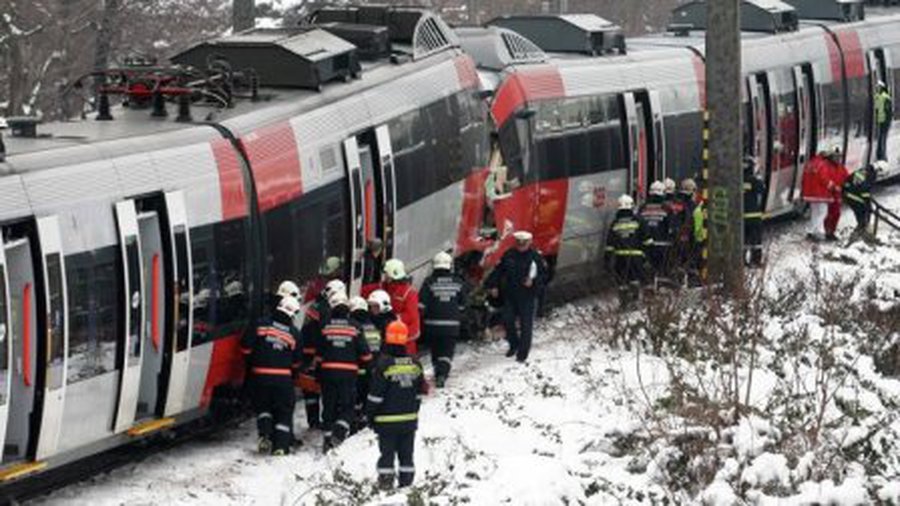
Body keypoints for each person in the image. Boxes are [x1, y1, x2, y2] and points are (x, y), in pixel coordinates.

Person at [366, 320, 428, 491]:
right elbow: (419, 393)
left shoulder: (384, 364)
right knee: (407, 455)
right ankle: (407, 486)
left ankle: (386, 483)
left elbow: (375, 396)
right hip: (409, 421)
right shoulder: (415, 364)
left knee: (387, 455)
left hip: (386, 422)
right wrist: (413, 413)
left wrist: (370, 416)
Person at [242, 295, 303, 456]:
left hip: (259, 377)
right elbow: (297, 362)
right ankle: (281, 447)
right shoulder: (294, 333)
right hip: (283, 380)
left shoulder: (261, 325)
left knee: (263, 408)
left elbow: (246, 347)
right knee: (283, 412)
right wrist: (293, 373)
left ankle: (265, 435)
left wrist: (253, 362)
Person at [316, 288, 372, 451]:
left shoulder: (325, 326)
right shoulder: (355, 327)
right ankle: (339, 433)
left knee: (329, 406)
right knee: (348, 406)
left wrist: (318, 372)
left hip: (328, 373)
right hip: (348, 374)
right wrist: (367, 367)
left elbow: (319, 354)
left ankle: (327, 440)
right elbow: (365, 353)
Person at [485, 230, 547, 362]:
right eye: (519, 243)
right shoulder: (509, 255)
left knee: (526, 326)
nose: (521, 246)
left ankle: (522, 353)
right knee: (507, 321)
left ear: (529, 243)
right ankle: (514, 344)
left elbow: (543, 276)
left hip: (528, 296)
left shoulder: (535, 257)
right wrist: (493, 285)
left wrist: (533, 282)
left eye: (524, 243)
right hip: (511, 295)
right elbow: (499, 270)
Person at [299, 278, 346, 430]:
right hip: (317, 352)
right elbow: (325, 333)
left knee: (310, 389)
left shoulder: (316, 305)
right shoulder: (326, 309)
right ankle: (326, 421)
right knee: (324, 387)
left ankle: (313, 420)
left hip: (307, 351)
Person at [419, 251, 470, 388]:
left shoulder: (429, 282)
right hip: (451, 326)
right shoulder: (458, 282)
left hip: (432, 325)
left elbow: (422, 304)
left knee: (436, 351)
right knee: (446, 352)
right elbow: (463, 304)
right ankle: (442, 374)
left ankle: (438, 372)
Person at [606, 195, 647, 308]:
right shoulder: (639, 220)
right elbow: (646, 240)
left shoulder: (615, 223)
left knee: (622, 282)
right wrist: (648, 255)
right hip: (636, 257)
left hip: (620, 258)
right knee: (634, 280)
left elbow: (610, 244)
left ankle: (624, 303)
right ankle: (634, 301)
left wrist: (607, 261)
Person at [350, 295, 382, 429]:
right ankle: (363, 417)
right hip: (372, 371)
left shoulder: (355, 328)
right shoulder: (373, 327)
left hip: (357, 370)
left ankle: (355, 420)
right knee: (365, 398)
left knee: (354, 400)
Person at [802, 146, 847, 241]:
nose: (838, 159)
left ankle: (813, 231)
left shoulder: (812, 162)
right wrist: (835, 187)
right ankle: (813, 231)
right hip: (820, 194)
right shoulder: (823, 165)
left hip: (810, 193)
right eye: (836, 157)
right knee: (823, 213)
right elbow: (824, 179)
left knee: (815, 213)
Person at [382, 259, 421, 356]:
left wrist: (392, 318)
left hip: (406, 337)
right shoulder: (387, 288)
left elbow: (410, 316)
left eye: (386, 274)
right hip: (394, 335)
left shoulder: (409, 293)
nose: (384, 276)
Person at [638, 181, 674, 289]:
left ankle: (648, 292)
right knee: (662, 272)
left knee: (648, 272)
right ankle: (660, 293)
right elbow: (672, 227)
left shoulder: (642, 207)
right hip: (663, 245)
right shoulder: (667, 208)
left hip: (646, 246)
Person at [843, 162, 878, 239]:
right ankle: (862, 229)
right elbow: (865, 191)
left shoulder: (863, 171)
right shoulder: (869, 176)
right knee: (862, 210)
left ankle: (862, 227)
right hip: (852, 195)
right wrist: (868, 204)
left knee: (862, 211)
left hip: (850, 192)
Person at [743, 156, 766, 267]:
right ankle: (756, 261)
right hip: (754, 216)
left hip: (741, 217)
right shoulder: (754, 180)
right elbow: (762, 190)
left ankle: (742, 261)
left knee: (743, 239)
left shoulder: (736, 181)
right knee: (756, 241)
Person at [875, 81, 893, 162]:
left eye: (878, 87)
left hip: (884, 121)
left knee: (882, 139)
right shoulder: (877, 97)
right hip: (879, 121)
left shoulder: (885, 97)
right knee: (880, 138)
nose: (877, 88)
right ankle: (880, 155)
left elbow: (889, 111)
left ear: (881, 88)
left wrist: (888, 121)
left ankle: (883, 156)